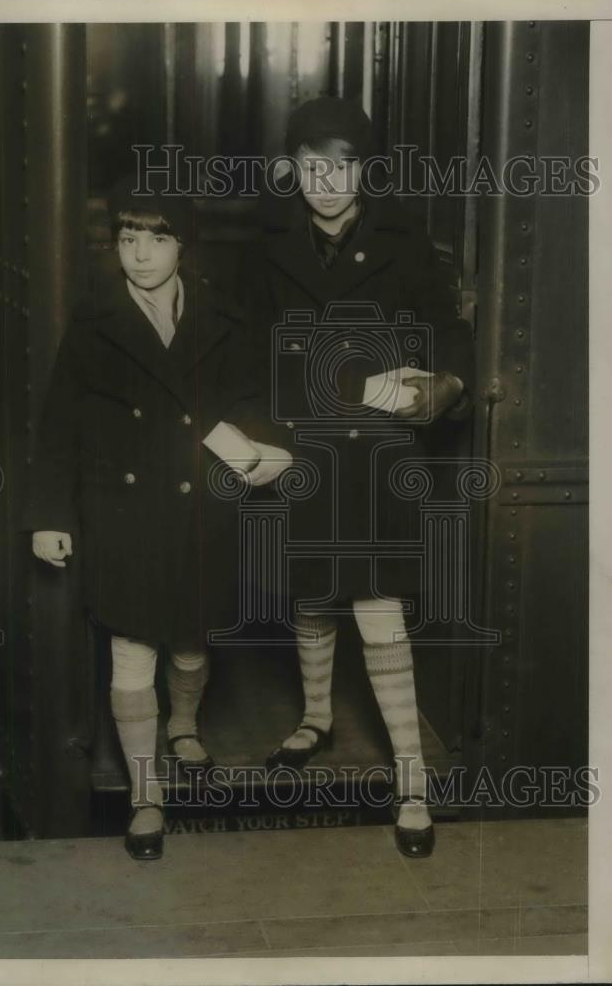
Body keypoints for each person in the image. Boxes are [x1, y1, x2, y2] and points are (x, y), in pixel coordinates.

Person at [27, 173, 292, 860]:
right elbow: (57, 426)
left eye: (157, 237)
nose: (140, 253)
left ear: (184, 246)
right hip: (122, 507)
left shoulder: (221, 316)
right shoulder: (93, 322)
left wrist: (259, 444)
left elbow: (250, 400)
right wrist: (49, 515)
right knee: (132, 647)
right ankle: (147, 795)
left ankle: (184, 721)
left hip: (202, 500)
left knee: (191, 638)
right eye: (126, 237)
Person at [247, 97, 475, 858]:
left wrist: (443, 386)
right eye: (311, 166)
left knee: (378, 605)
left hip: (378, 450)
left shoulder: (405, 241)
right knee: (312, 591)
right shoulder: (268, 241)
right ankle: (315, 718)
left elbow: (450, 334)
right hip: (303, 446)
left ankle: (411, 779)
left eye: (340, 166)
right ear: (293, 168)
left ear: (364, 170)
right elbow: (245, 348)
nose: (325, 181)